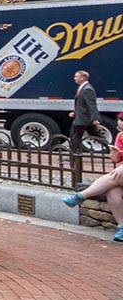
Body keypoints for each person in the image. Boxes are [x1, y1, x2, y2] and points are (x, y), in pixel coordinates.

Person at [63, 113, 123, 242]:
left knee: (117, 175)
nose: (121, 130)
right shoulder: (120, 136)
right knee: (113, 191)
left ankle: (81, 196)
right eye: (120, 127)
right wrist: (114, 153)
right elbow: (115, 159)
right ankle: (122, 227)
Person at [69, 69, 102, 152]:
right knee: (79, 135)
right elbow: (82, 104)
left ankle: (73, 154)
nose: (74, 78)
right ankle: (110, 148)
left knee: (75, 136)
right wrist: (75, 112)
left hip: (84, 118)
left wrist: (95, 118)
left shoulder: (87, 89)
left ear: (82, 78)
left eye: (76, 76)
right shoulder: (82, 88)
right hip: (81, 117)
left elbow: (91, 105)